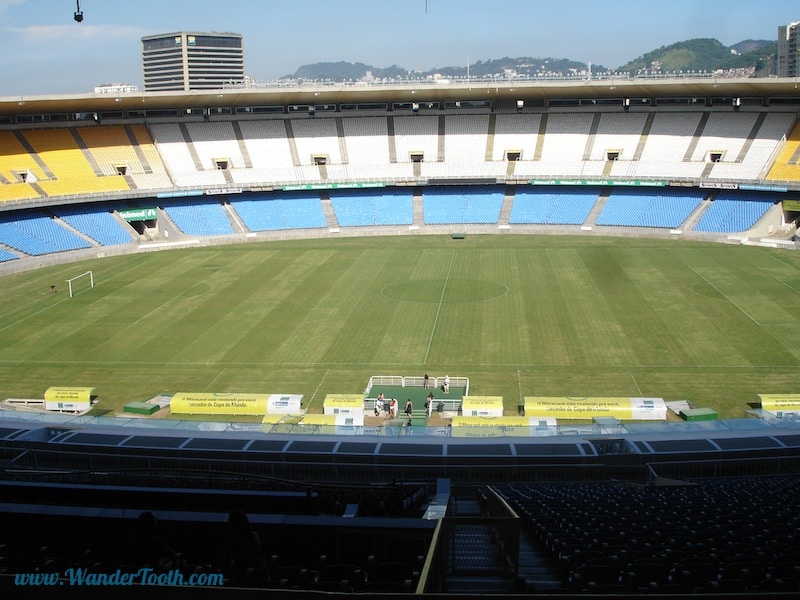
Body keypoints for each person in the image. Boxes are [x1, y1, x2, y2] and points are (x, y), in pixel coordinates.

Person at [223, 509, 267, 584]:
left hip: (250, 571)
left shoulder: (233, 537)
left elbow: (227, 555)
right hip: (255, 570)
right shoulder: (253, 535)